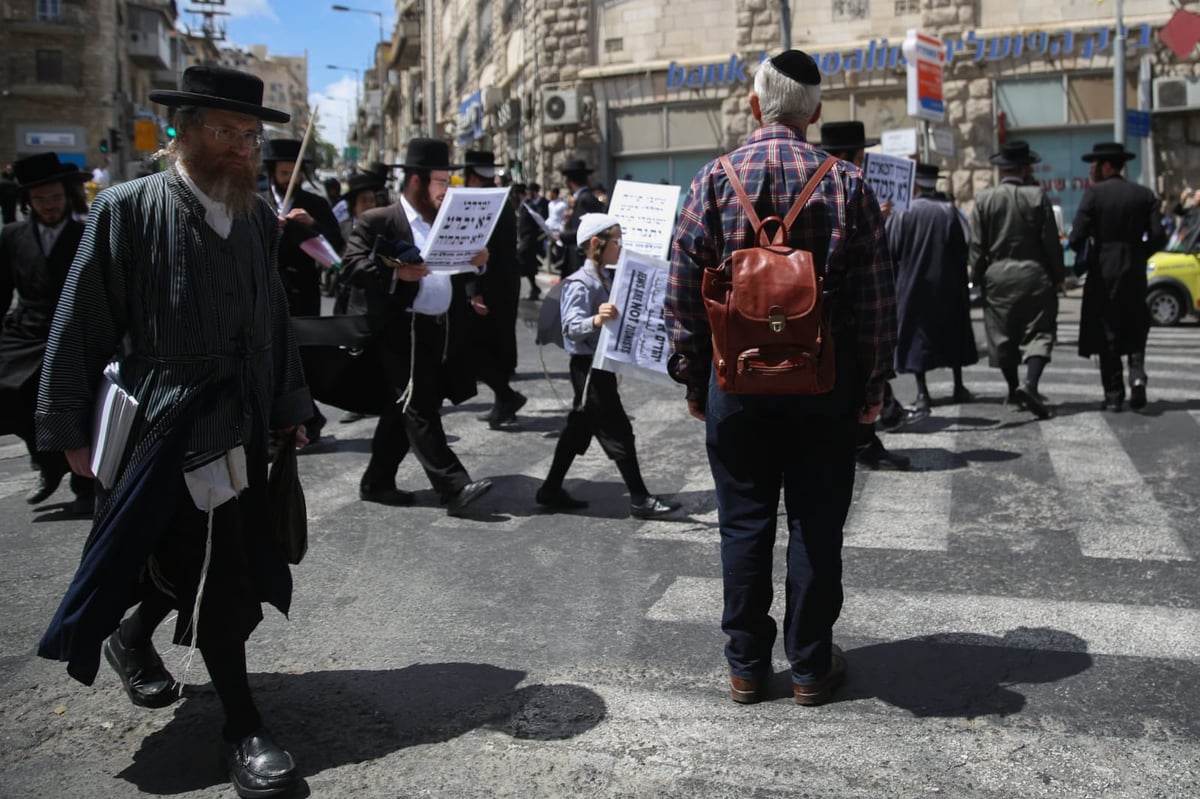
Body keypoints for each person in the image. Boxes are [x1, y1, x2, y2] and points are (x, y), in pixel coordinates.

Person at [35, 65, 311, 799]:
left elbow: (274, 317)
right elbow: (82, 323)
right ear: (182, 132)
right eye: (224, 133)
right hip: (165, 421)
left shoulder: (254, 215)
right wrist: (67, 430)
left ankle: (133, 637)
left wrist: (290, 404)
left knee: (214, 551)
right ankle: (243, 726)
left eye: (249, 137)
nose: (240, 150)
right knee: (208, 563)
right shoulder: (126, 209)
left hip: (242, 419)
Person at [666, 50, 896, 707]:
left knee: (742, 522)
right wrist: (873, 385)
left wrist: (691, 374)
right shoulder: (847, 183)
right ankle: (810, 666)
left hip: (735, 385)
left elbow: (682, 293)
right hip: (824, 386)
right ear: (817, 113)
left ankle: (744, 666)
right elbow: (877, 301)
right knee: (817, 526)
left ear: (753, 104)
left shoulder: (713, 181)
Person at [340, 137, 493, 514]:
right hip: (399, 330)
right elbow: (351, 267)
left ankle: (376, 481)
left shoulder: (444, 219)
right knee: (419, 406)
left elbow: (460, 266)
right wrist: (397, 274)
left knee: (403, 408)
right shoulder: (380, 220)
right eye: (440, 182)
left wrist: (478, 260)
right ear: (415, 183)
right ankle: (454, 487)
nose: (446, 190)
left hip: (438, 330)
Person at [535, 212, 682, 519]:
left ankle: (549, 489)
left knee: (577, 429)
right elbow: (571, 327)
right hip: (587, 368)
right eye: (616, 239)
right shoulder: (580, 283)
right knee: (618, 430)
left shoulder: (606, 277)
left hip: (599, 366)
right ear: (595, 244)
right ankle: (640, 498)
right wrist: (597, 319)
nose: (620, 245)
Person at [817, 120, 920, 472]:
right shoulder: (849, 186)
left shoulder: (813, 180)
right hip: (842, 319)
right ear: (847, 155)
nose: (863, 162)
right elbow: (873, 290)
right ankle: (863, 440)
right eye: (861, 155)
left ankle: (864, 438)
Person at [0, 153, 95, 514]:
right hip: (27, 331)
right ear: (28, 202)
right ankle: (47, 462)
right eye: (41, 199)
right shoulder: (12, 236)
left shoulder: (86, 232)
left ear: (67, 196)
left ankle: (84, 482)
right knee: (9, 392)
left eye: (55, 197)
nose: (50, 206)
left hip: (74, 330)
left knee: (74, 401)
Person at [969, 141, 1064, 420]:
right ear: (1025, 169)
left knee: (1002, 335)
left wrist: (976, 277)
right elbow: (1051, 243)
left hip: (997, 275)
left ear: (1001, 169)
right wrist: (1059, 276)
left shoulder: (984, 199)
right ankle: (1030, 384)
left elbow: (977, 245)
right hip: (1035, 274)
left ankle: (1013, 390)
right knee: (1040, 332)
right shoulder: (1037, 196)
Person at [1069, 142, 1166, 411]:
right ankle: (1137, 377)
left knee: (1106, 331)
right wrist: (1139, 253)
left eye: (1095, 165)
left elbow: (1076, 238)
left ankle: (1113, 394)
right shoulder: (1144, 195)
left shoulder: (1094, 194)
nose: (1091, 170)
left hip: (1103, 271)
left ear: (1107, 166)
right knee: (1135, 324)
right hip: (1134, 269)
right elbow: (1159, 236)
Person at [259, 138, 344, 444]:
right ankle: (295, 418)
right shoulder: (257, 201)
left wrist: (314, 226)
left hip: (303, 292)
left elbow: (337, 246)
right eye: (281, 174)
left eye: (291, 173)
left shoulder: (315, 204)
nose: (286, 181)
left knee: (300, 357)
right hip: (266, 290)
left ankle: (306, 418)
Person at [886, 162, 977, 410]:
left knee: (917, 338)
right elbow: (962, 250)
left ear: (915, 184)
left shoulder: (903, 213)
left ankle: (923, 392)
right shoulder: (948, 212)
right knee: (953, 332)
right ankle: (958, 386)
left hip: (912, 285)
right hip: (946, 287)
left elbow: (891, 250)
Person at [463, 150, 526, 428]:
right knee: (496, 344)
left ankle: (506, 397)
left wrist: (475, 290)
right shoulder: (502, 198)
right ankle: (504, 402)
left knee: (473, 347)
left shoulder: (484, 201)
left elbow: (480, 248)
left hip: (490, 284)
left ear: (473, 176)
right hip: (506, 281)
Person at [558, 158, 605, 277]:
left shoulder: (585, 199)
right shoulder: (583, 198)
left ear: (570, 181)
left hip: (580, 259)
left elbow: (585, 231)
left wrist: (562, 235)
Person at [517, 182, 548, 300]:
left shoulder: (530, 206)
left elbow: (539, 221)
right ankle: (534, 288)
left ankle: (533, 288)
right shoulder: (522, 205)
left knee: (524, 264)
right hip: (524, 240)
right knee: (528, 267)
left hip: (529, 241)